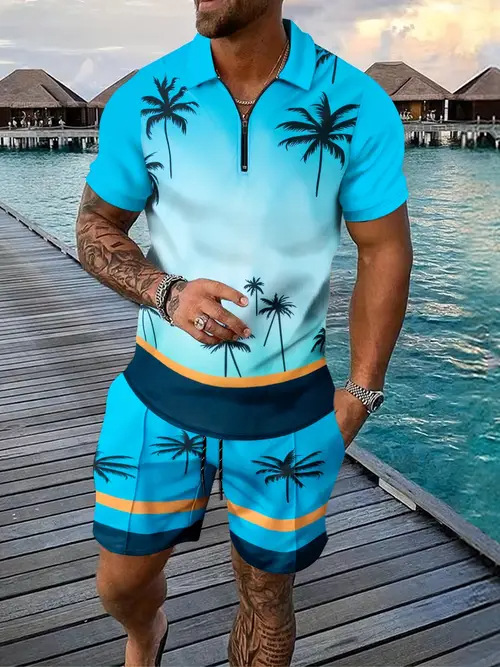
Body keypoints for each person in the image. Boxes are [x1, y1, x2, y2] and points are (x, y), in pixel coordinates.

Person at [76, 1, 412, 665]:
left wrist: (362, 391)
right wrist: (165, 291)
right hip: (158, 393)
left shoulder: (356, 103)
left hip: (287, 407)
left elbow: (384, 248)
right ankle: (146, 631)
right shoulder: (146, 96)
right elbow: (94, 227)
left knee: (266, 597)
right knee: (120, 584)